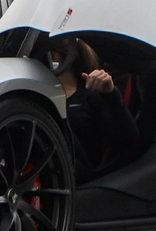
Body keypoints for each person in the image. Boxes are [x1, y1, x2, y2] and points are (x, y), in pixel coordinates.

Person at [55, 39, 141, 180]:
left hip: (80, 181)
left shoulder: (91, 96)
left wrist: (111, 94)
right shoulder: (33, 99)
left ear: (54, 58)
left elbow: (130, 139)